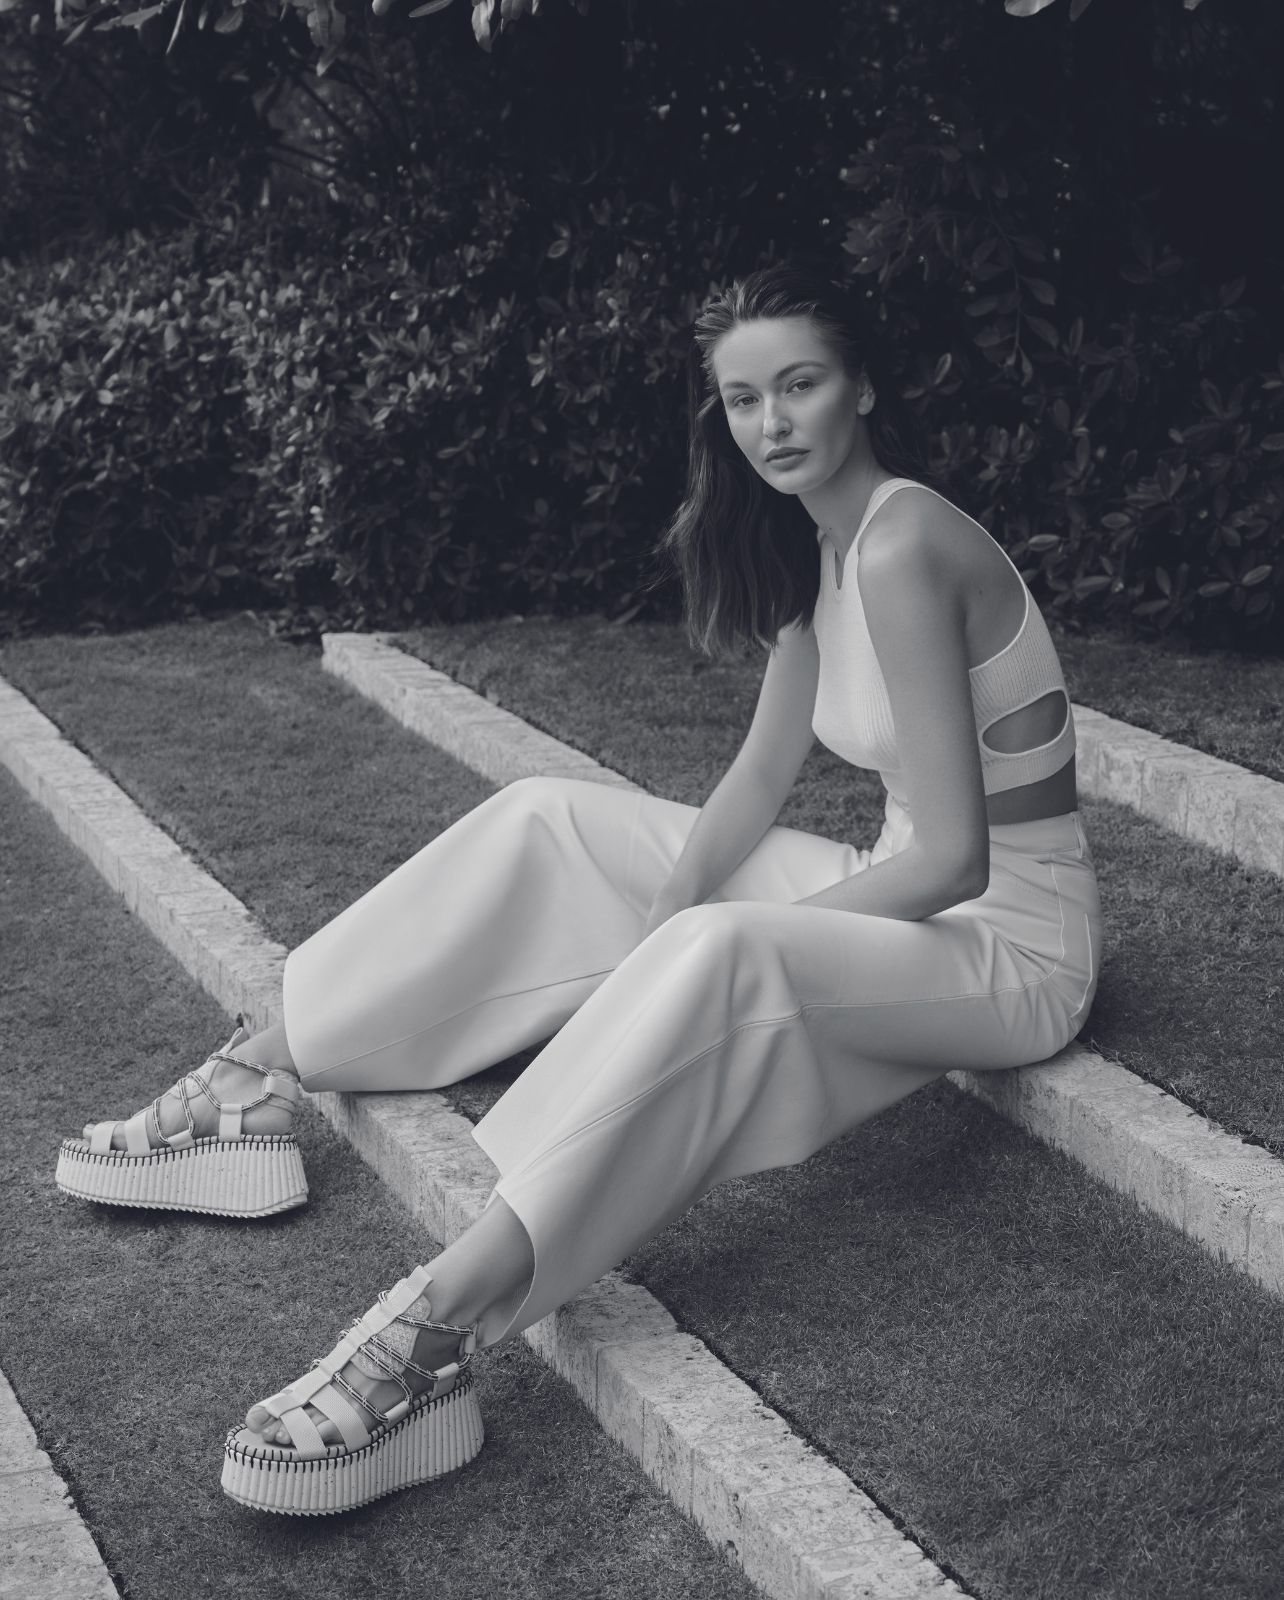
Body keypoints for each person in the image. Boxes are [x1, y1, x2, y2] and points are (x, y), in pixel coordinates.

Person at [56, 262, 1102, 1517]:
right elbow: (755, 781)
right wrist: (664, 915)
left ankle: (436, 1333)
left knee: (724, 954)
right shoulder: (817, 554)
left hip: (1017, 945)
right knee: (557, 819)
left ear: (862, 388)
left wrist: (701, 937)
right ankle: (266, 1071)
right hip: (903, 887)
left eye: (801, 385)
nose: (772, 423)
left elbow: (959, 862)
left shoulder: (909, 543)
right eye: (743, 397)